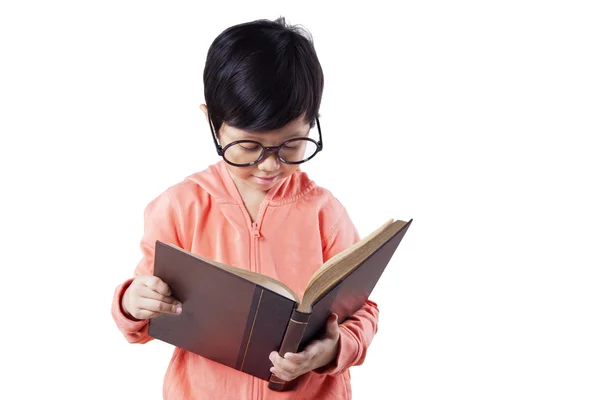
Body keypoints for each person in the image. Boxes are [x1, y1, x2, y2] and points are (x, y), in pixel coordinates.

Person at [111, 17, 379, 399]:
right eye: (250, 147)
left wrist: (334, 349)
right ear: (214, 125)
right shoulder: (179, 207)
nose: (269, 165)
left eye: (291, 145)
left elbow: (362, 310)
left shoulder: (324, 211)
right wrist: (132, 302)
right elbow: (141, 313)